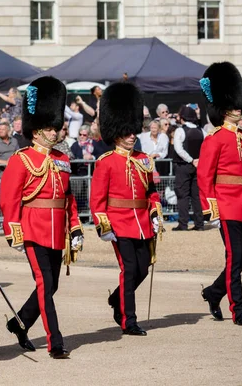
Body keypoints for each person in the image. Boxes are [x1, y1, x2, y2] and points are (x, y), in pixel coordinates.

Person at [0, 76, 83, 359]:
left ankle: (19, 323)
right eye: (49, 127)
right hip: (33, 227)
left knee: (53, 284)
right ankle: (55, 341)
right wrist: (14, 231)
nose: (54, 132)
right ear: (36, 131)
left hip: (56, 228)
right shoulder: (21, 159)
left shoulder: (62, 159)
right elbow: (9, 198)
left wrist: (74, 227)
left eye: (55, 126)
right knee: (45, 285)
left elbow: (67, 198)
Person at [197, 62, 242, 326]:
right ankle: (238, 310)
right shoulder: (213, 139)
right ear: (224, 108)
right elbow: (205, 177)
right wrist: (211, 209)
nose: (239, 108)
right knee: (235, 258)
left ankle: (213, 293)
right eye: (235, 105)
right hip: (226, 206)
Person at [90, 82, 163, 337]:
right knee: (129, 269)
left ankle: (117, 299)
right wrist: (103, 225)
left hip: (142, 222)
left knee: (143, 268)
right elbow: (97, 200)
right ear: (116, 132)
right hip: (119, 223)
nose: (132, 135)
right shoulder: (106, 162)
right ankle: (128, 319)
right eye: (127, 131)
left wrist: (155, 212)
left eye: (133, 130)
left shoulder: (144, 159)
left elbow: (152, 192)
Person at [172, 106, 207, 231]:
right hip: (198, 166)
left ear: (182, 118)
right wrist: (199, 160)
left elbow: (179, 149)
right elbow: (207, 147)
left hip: (184, 166)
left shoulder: (180, 131)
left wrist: (191, 160)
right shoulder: (202, 131)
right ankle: (199, 224)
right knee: (196, 196)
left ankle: (183, 223)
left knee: (182, 195)